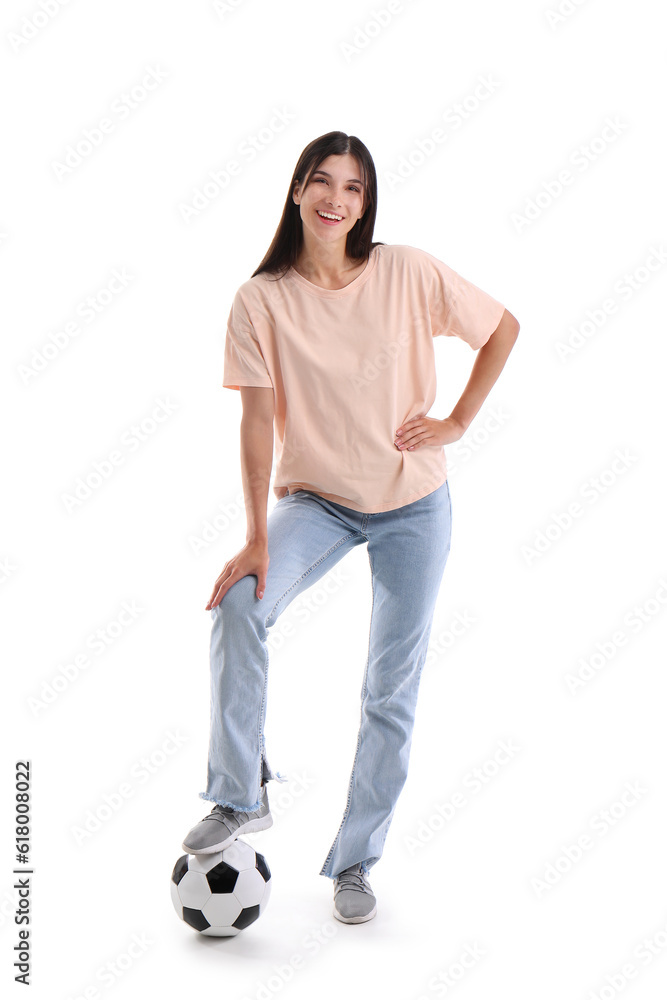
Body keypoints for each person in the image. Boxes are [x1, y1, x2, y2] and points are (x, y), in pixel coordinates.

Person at [182, 130, 520, 924]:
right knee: (238, 607)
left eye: (354, 188)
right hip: (317, 500)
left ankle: (355, 862)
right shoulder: (260, 299)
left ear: (367, 202)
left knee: (388, 690)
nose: (337, 199)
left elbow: (501, 327)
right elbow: (256, 423)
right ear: (297, 190)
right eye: (322, 182)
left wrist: (458, 421)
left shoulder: (405, 270)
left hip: (412, 503)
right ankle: (238, 794)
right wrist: (256, 536)